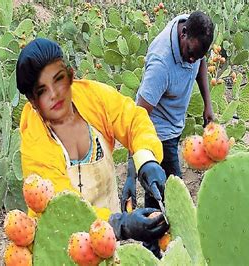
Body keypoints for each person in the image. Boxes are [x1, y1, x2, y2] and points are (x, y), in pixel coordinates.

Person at [17, 38, 168, 258]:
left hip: (108, 239)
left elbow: (132, 119)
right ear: (32, 101)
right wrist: (120, 225)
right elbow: (62, 210)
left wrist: (146, 159)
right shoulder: (34, 145)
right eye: (42, 91)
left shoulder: (93, 97)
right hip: (64, 246)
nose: (55, 94)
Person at [121, 10, 215, 249]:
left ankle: (155, 250)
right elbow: (137, 118)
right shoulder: (161, 64)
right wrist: (132, 173)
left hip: (174, 128)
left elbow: (200, 61)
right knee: (171, 198)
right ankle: (153, 252)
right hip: (157, 137)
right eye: (190, 54)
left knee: (161, 199)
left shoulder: (192, 32)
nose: (192, 61)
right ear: (183, 35)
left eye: (199, 55)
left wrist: (207, 104)